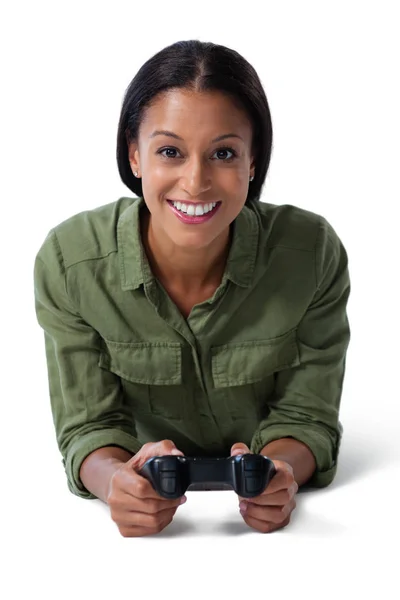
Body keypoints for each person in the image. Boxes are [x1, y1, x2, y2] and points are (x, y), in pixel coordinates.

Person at [33, 39, 351, 537]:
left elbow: (307, 414)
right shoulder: (70, 263)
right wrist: (115, 479)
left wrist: (282, 472)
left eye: (223, 152)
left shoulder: (310, 254)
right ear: (135, 156)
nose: (196, 181)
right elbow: (88, 426)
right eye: (169, 151)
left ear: (253, 161)